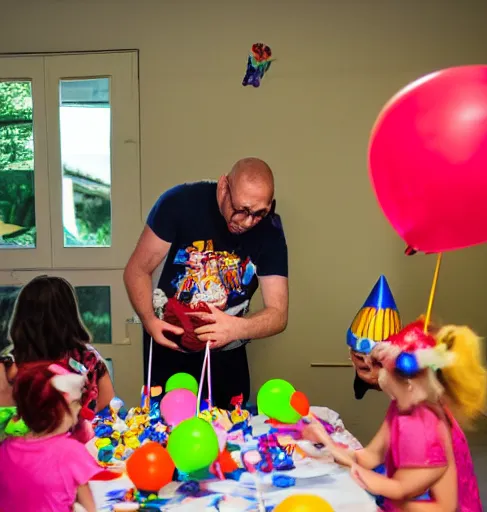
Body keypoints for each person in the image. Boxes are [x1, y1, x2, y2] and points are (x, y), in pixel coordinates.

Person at [124, 157, 289, 409]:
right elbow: (137, 269)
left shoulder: (270, 230)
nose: (247, 222)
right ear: (224, 186)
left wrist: (235, 329)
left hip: (227, 356)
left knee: (228, 437)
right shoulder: (178, 203)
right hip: (169, 348)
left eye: (259, 213)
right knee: (164, 433)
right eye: (241, 210)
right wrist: (148, 319)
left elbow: (278, 314)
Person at [303, 318, 487, 512]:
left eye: (381, 366)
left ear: (408, 382)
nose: (375, 375)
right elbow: (371, 456)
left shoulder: (425, 428)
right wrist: (326, 447)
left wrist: (340, 457)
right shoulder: (401, 408)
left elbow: (437, 504)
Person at [0, 361, 102, 511]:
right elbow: (92, 507)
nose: (80, 407)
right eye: (75, 403)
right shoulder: (71, 451)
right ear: (57, 410)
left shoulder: (5, 449)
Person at [6, 275, 115, 413]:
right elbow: (109, 411)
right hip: (85, 434)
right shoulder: (89, 361)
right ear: (69, 315)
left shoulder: (10, 366)